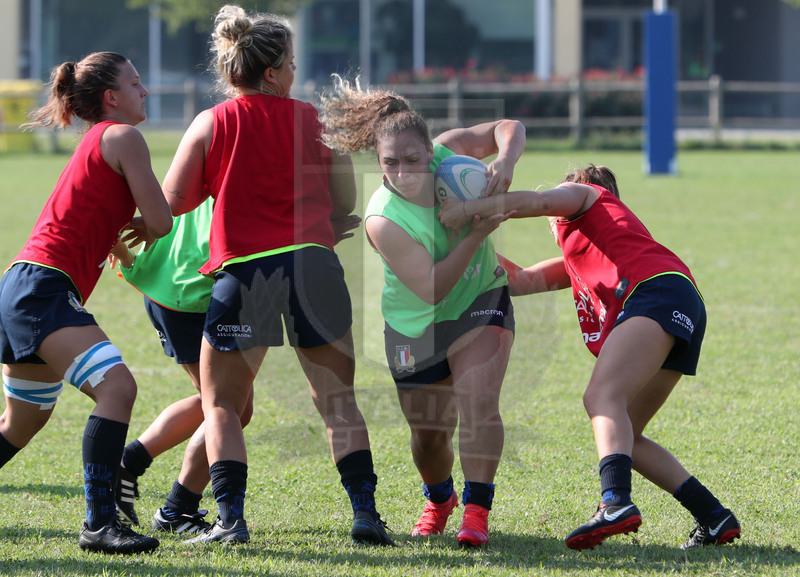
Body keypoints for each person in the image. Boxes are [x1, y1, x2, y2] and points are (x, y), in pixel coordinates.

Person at [159, 5, 391, 546]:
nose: (294, 73)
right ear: (270, 72)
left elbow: (174, 201)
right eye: (290, 64)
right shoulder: (313, 119)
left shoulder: (211, 122)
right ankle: (365, 515)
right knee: (337, 402)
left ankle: (230, 521)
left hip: (247, 273)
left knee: (222, 404)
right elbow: (344, 202)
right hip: (314, 266)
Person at [438, 163, 741, 550]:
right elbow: (516, 279)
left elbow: (538, 200)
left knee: (600, 399)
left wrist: (468, 208)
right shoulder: (583, 256)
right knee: (626, 433)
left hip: (658, 294)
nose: (553, 213)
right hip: (680, 304)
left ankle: (615, 502)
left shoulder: (584, 195)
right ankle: (714, 516)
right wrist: (466, 242)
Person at [318, 77, 524, 546]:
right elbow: (431, 289)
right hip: (416, 323)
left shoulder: (450, 156)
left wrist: (505, 162)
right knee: (429, 438)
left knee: (478, 402)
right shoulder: (382, 218)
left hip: (480, 300)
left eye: (413, 160)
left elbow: (508, 127)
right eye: (391, 163)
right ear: (379, 162)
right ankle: (439, 497)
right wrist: (474, 231)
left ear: (430, 152)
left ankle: (476, 512)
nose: (403, 171)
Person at [0, 51, 173, 554]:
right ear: (110, 97)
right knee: (117, 388)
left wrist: (114, 233)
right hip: (44, 289)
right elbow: (161, 221)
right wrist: (141, 225)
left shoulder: (96, 140)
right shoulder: (123, 135)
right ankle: (101, 523)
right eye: (136, 83)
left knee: (22, 423)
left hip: (24, 284)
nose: (145, 91)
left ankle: (102, 522)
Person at [110, 202, 361, 536]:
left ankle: (154, 486)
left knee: (226, 405)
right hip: (186, 289)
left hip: (192, 283)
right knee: (227, 406)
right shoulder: (240, 165)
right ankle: (156, 489)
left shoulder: (221, 157)